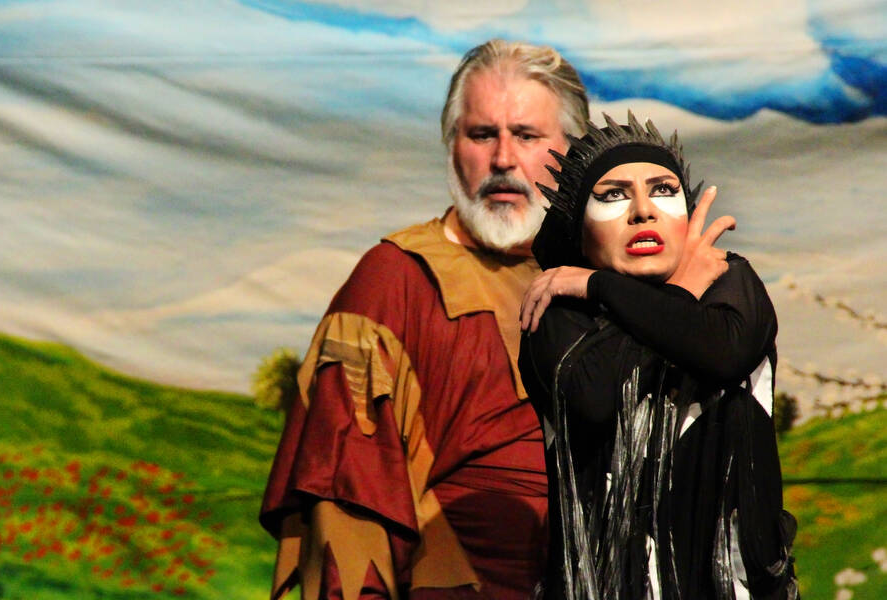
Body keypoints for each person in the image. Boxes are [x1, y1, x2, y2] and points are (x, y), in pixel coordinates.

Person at [260, 39, 590, 600]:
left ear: (573, 153)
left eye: (526, 136)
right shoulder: (393, 282)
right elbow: (346, 503)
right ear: (452, 145)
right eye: (481, 134)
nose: (503, 159)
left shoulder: (604, 285)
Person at [518, 112, 798, 599]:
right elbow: (595, 398)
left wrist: (607, 286)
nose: (643, 212)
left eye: (663, 190)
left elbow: (723, 352)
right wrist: (672, 292)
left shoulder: (728, 280)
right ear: (578, 231)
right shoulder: (558, 313)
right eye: (613, 195)